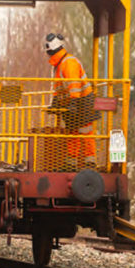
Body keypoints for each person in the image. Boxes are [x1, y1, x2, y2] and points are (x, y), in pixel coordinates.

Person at [45, 33, 99, 170]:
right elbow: (59, 87)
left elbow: (74, 85)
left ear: (52, 50)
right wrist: (55, 104)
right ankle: (71, 163)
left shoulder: (68, 63)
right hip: (72, 103)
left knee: (86, 132)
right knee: (72, 133)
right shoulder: (59, 65)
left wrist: (73, 102)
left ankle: (90, 163)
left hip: (82, 102)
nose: (48, 55)